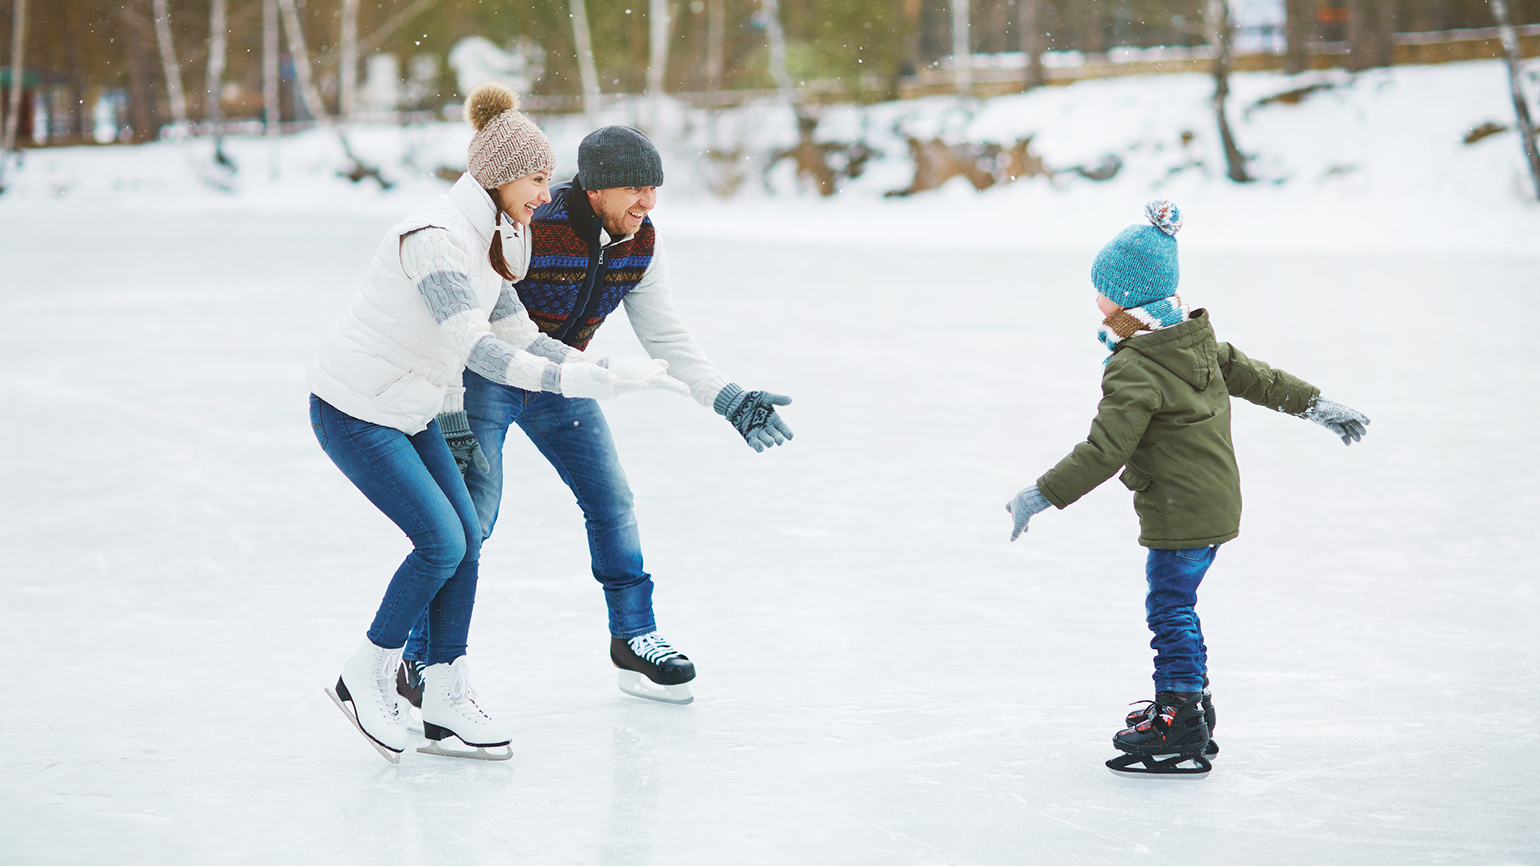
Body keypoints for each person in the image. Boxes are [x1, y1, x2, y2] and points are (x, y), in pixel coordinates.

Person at [308, 85, 683, 763]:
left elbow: (522, 334)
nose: (548, 193)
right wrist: (574, 378)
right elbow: (477, 349)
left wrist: (600, 374)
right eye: (539, 179)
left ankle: (444, 693)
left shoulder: (496, 239)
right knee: (440, 542)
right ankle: (366, 672)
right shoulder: (437, 240)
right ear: (502, 175)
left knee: (467, 538)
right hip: (358, 410)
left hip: (417, 408)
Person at [398, 125, 794, 708]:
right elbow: (464, 323)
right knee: (470, 522)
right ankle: (415, 658)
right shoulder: (530, 222)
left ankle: (634, 637)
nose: (648, 202)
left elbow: (666, 335)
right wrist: (451, 411)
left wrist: (725, 396)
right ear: (595, 190)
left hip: (566, 379)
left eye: (654, 188)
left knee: (612, 501)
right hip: (488, 379)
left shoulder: (640, 240)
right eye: (635, 188)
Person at [1002, 200, 1370, 775]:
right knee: (1180, 608)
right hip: (1212, 499)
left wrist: (1041, 494)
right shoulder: (1192, 342)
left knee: (1170, 608)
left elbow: (1106, 450)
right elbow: (1263, 380)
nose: (1096, 300)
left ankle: (1180, 716)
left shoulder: (1135, 364)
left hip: (1178, 509)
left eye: (1102, 290)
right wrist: (1318, 407)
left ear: (1125, 298)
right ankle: (1191, 702)